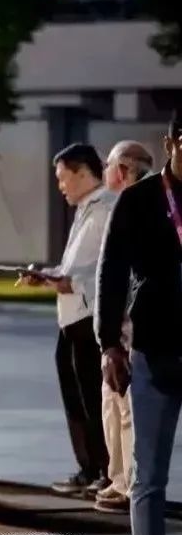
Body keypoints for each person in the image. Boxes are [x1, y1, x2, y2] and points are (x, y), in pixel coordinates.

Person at [97, 114, 182, 535]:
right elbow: (110, 274)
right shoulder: (140, 200)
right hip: (154, 351)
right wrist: (109, 343)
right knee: (148, 476)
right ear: (170, 142)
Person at [20, 143, 112, 498]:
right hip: (70, 318)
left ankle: (104, 473)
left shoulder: (106, 210)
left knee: (92, 400)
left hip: (89, 317)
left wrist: (67, 281)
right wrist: (46, 275)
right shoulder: (84, 210)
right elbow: (77, 267)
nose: (60, 186)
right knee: (75, 399)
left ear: (82, 173)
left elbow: (110, 270)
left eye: (62, 178)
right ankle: (88, 469)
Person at [94, 140, 153, 515]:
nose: (106, 172)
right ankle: (118, 480)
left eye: (109, 165)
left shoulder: (142, 208)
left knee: (129, 408)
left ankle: (132, 485)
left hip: (136, 326)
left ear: (122, 170)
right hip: (119, 326)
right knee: (112, 405)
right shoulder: (121, 206)